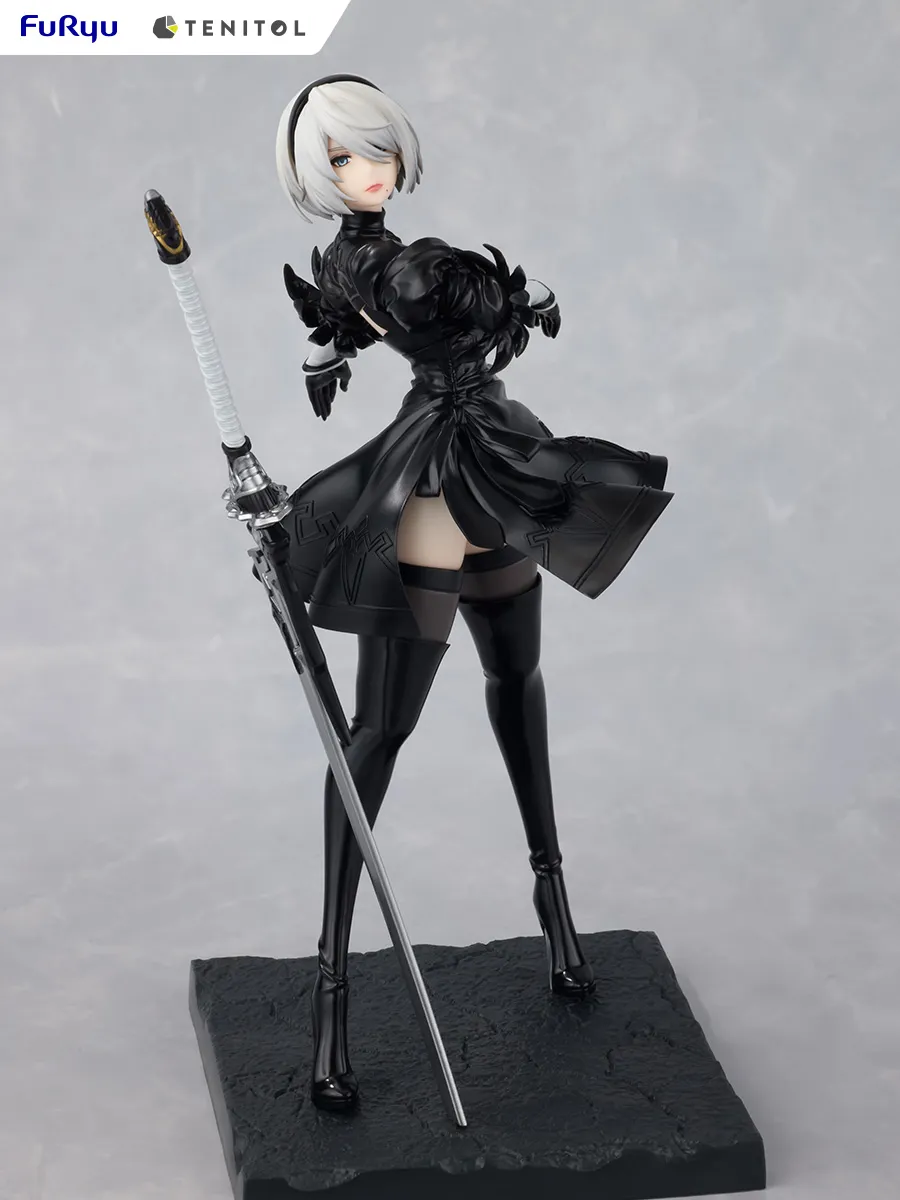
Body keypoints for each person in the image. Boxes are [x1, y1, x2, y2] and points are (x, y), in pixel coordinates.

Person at [274, 74, 673, 1112]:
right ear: (314, 173)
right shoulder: (408, 266)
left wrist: (329, 344)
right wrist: (515, 302)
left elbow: (359, 321)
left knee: (512, 679)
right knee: (383, 730)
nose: (370, 170)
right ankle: (333, 988)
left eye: (378, 150)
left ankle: (555, 909)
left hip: (483, 454)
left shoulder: (356, 262)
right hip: (452, 472)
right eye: (345, 158)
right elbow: (460, 307)